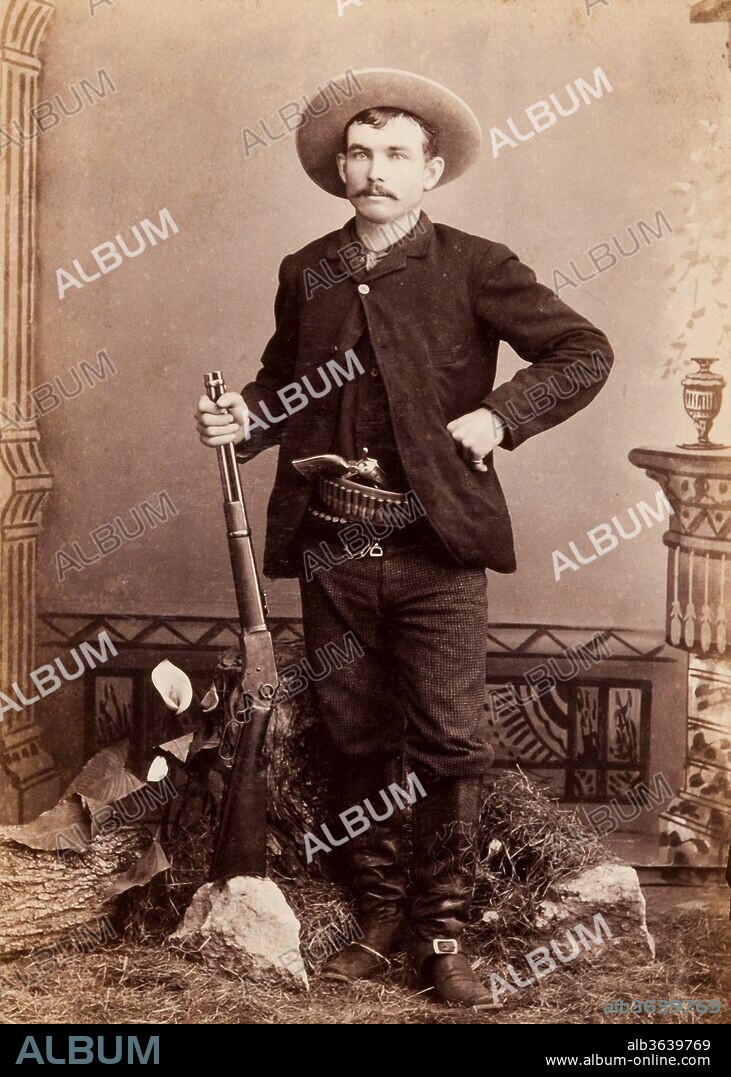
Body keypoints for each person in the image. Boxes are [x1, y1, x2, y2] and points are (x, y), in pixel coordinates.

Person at [195, 68, 613, 1009]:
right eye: (360, 154)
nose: (375, 171)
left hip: (438, 553)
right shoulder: (306, 271)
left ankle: (443, 932)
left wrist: (500, 418)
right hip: (333, 549)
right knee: (351, 734)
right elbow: (278, 385)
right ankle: (378, 916)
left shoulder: (476, 264)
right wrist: (241, 420)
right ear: (339, 168)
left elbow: (582, 351)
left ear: (429, 172)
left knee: (450, 739)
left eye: (396, 156)